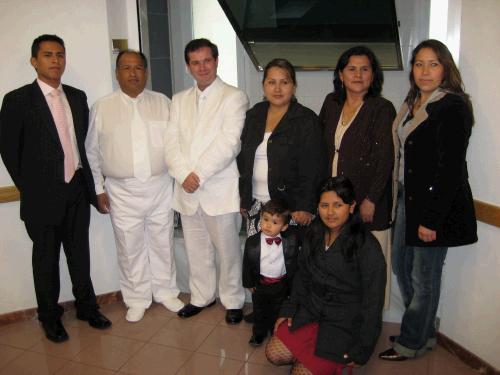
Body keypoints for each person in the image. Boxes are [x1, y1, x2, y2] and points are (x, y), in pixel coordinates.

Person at [0, 34, 111, 343]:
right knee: (46, 260)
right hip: (42, 196)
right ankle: (50, 317)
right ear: (34, 61)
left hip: (76, 189)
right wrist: (31, 187)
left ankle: (87, 308)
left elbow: (83, 145)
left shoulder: (76, 96)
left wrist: (90, 186)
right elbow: (8, 150)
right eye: (48, 55)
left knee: (80, 255)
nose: (55, 60)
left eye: (60, 54)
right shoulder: (17, 99)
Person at [378, 39, 477, 361]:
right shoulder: (412, 103)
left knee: (424, 276)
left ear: (445, 68)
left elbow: (449, 170)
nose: (425, 71)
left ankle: (410, 341)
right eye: (419, 64)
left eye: (433, 63)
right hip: (407, 199)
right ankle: (424, 332)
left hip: (435, 205)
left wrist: (432, 219)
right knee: (403, 268)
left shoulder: (451, 106)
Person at [85, 50, 183, 322]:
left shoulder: (163, 102)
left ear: (146, 72)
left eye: (138, 67)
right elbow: (91, 152)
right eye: (126, 68)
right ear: (117, 73)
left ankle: (165, 291)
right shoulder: (102, 107)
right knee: (129, 247)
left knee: (162, 241)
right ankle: (137, 297)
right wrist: (97, 188)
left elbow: (175, 145)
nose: (133, 73)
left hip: (160, 186)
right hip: (120, 189)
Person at [164, 38, 248, 324]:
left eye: (207, 60)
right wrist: (182, 174)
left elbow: (230, 143)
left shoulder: (234, 96)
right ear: (188, 66)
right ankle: (201, 296)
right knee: (196, 249)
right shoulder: (178, 100)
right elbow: (170, 143)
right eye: (195, 62)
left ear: (216, 61)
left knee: (227, 251)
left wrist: (197, 175)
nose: (202, 67)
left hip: (218, 187)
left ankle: (233, 300)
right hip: (186, 188)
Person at [266, 177, 386, 375]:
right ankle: (309, 358)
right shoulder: (314, 232)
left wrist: (362, 348)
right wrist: (289, 309)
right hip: (312, 310)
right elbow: (302, 275)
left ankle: (325, 363)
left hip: (345, 322)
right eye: (324, 205)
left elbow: (373, 302)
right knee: (273, 354)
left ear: (352, 206)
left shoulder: (367, 246)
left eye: (338, 205)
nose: (330, 212)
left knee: (300, 373)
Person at [319, 46, 395, 309]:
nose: (358, 75)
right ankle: (341, 317)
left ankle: (369, 320)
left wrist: (371, 199)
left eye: (365, 69)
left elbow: (386, 158)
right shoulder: (331, 102)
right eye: (352, 69)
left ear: (373, 75)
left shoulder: (382, 108)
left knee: (369, 267)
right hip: (336, 203)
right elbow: (321, 147)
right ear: (341, 74)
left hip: (366, 203)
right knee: (340, 265)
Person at [238, 58, 323, 237]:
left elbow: (314, 167)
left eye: (284, 82)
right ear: (263, 86)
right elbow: (242, 159)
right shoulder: (254, 115)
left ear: (293, 86)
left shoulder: (306, 120)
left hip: (291, 210)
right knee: (260, 261)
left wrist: (306, 206)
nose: (277, 89)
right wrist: (243, 198)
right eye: (271, 82)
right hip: (256, 208)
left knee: (287, 262)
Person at [242, 199, 299, 347]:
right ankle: (258, 333)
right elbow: (247, 263)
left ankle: (276, 333)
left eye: (274, 222)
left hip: (281, 285)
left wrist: (291, 287)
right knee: (259, 310)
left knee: (278, 310)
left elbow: (293, 264)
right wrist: (249, 282)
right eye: (265, 219)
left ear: (284, 226)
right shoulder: (252, 241)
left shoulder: (290, 242)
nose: (268, 225)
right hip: (260, 284)